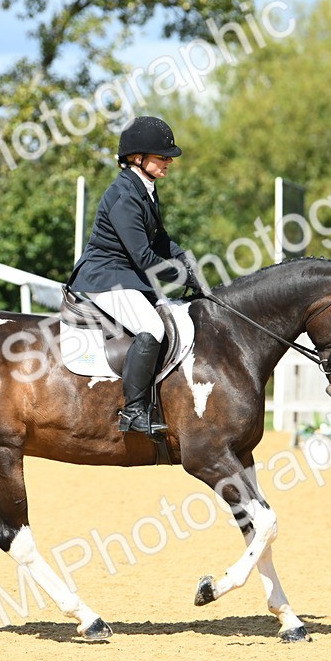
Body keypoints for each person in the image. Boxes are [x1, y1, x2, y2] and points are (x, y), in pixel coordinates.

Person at [68, 115, 209, 436]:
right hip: (105, 278)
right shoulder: (123, 196)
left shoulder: (145, 189)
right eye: (163, 157)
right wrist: (184, 277)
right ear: (137, 158)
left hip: (127, 277)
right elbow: (144, 256)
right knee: (152, 327)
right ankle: (132, 411)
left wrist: (190, 264)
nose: (169, 162)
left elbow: (160, 241)